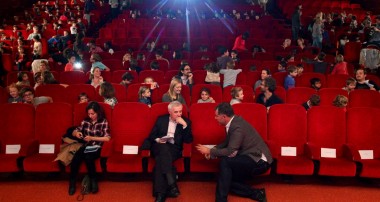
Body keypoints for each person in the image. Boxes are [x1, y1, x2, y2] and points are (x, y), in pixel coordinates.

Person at [195, 102, 272, 202]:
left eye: (216, 116)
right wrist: (213, 151)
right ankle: (257, 193)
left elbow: (231, 150)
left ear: (224, 117)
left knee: (225, 163)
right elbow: (227, 142)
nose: (215, 118)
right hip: (249, 156)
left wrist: (210, 151)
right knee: (224, 178)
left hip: (259, 161)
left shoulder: (237, 127)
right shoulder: (233, 122)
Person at [143, 101, 193, 202]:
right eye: (176, 112)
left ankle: (161, 194)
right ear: (169, 111)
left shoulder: (186, 121)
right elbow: (152, 135)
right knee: (163, 148)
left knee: (159, 162)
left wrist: (184, 125)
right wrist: (158, 140)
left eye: (180, 111)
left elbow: (188, 140)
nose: (179, 114)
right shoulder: (161, 119)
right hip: (159, 145)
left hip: (174, 148)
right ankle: (171, 184)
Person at [69, 101, 111, 195]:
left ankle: (93, 180)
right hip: (86, 146)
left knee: (89, 158)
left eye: (93, 113)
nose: (90, 116)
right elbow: (75, 131)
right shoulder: (85, 121)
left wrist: (92, 138)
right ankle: (72, 183)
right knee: (76, 159)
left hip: (97, 146)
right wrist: (77, 133)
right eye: (89, 113)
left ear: (98, 112)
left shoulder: (103, 121)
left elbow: (107, 138)